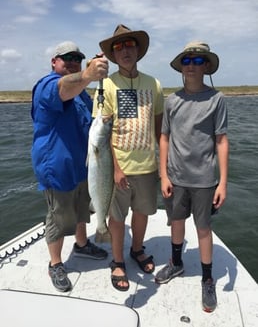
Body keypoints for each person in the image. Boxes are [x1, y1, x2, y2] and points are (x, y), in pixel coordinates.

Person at [155, 41, 229, 313]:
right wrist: (163, 174)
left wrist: (222, 181)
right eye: (187, 61)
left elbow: (221, 140)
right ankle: (176, 262)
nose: (191, 66)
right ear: (181, 66)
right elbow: (164, 137)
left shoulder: (217, 99)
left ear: (206, 66)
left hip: (205, 180)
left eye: (198, 61)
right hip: (175, 177)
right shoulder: (172, 100)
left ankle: (208, 279)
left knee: (203, 229)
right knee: (176, 222)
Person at [31, 41, 109, 292]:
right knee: (59, 216)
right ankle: (55, 263)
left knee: (80, 209)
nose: (73, 61)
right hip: (57, 167)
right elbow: (62, 89)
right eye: (67, 58)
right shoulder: (46, 85)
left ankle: (82, 244)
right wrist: (87, 74)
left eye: (78, 57)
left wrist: (91, 80)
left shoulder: (81, 94)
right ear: (54, 61)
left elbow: (95, 119)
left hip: (83, 165)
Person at [93, 24, 164, 291]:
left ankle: (136, 250)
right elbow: (101, 134)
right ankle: (118, 260)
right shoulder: (106, 86)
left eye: (129, 44)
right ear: (113, 54)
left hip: (147, 164)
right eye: (119, 46)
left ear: (138, 49)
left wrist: (163, 163)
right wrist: (116, 168)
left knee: (143, 212)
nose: (125, 50)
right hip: (118, 167)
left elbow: (159, 129)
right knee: (117, 217)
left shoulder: (154, 84)